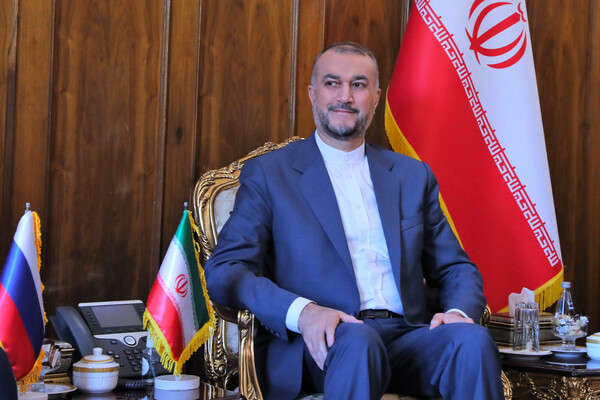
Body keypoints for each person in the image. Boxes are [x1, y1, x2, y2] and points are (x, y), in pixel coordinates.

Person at [205, 42, 503, 400]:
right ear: (313, 94)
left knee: (471, 341)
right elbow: (225, 271)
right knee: (359, 342)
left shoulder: (411, 176)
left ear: (375, 98)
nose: (345, 96)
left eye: (358, 85)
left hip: (406, 337)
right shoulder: (271, 174)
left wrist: (456, 312)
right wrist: (303, 313)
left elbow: (456, 268)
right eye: (332, 83)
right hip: (322, 343)